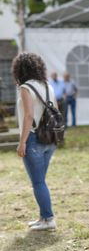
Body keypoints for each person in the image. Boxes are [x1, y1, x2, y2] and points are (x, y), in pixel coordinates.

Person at [12, 52, 57, 231]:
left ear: (19, 69)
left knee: (38, 182)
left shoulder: (25, 88)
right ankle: (43, 217)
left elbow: (29, 115)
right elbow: (56, 111)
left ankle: (48, 218)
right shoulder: (48, 86)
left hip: (33, 139)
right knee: (41, 181)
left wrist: (22, 142)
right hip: (50, 138)